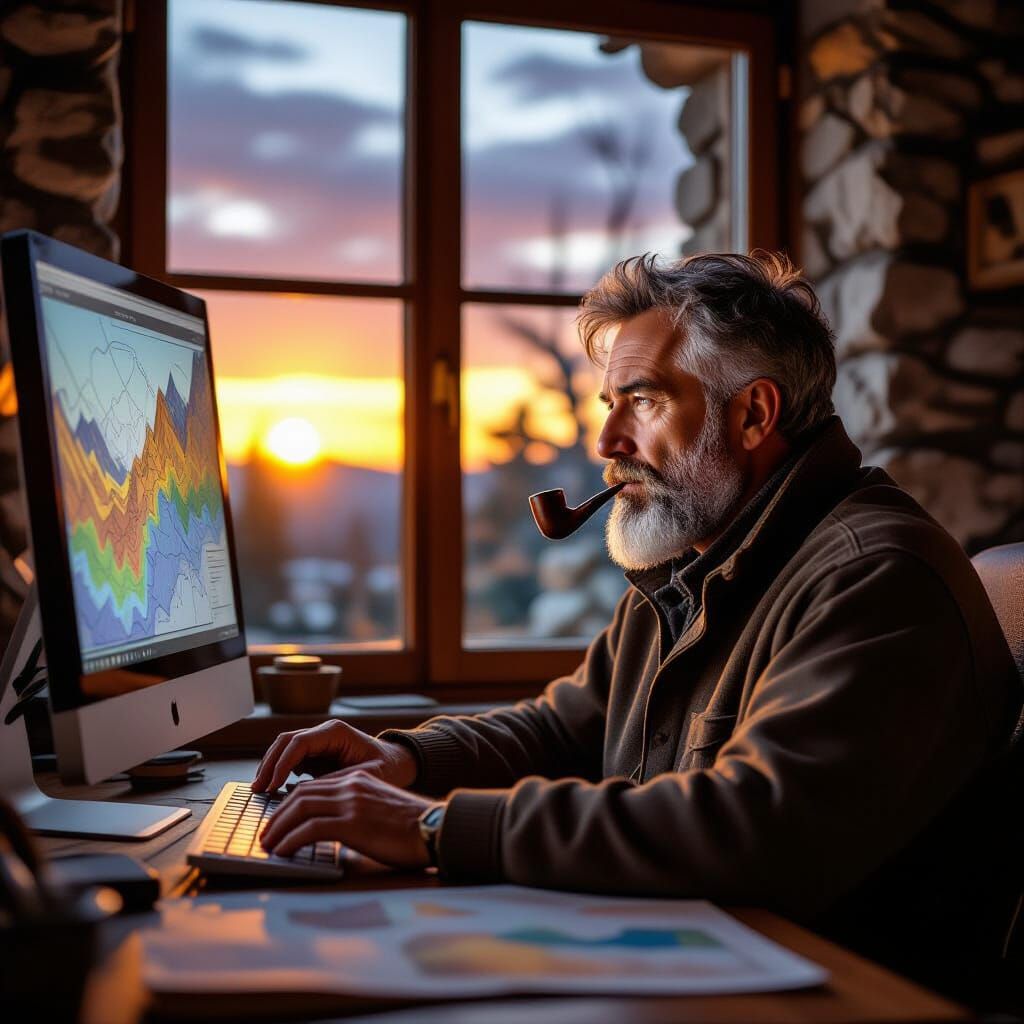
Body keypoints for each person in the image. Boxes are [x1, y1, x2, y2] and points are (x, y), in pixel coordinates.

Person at [253, 252, 1021, 998]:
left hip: (822, 997)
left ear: (753, 414)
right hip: (703, 958)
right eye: (609, 404)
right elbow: (565, 730)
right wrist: (406, 759)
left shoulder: (875, 577)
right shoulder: (697, 564)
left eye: (643, 401)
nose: (606, 443)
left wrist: (433, 829)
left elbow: (751, 830)